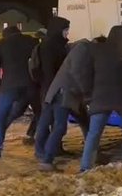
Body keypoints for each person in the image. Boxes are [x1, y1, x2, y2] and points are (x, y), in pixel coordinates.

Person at [80, 26, 122, 172]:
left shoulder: (97, 51)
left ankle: (85, 167)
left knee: (94, 134)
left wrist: (88, 95)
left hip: (100, 97)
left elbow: (86, 74)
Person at [35, 39, 92, 171]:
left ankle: (40, 152)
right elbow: (77, 73)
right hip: (65, 94)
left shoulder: (77, 50)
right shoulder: (83, 50)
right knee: (60, 127)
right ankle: (47, 160)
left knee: (46, 122)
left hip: (57, 92)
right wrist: (87, 92)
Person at [0, 26, 39, 159]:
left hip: (9, 86)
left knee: (1, 118)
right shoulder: (32, 42)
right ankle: (44, 149)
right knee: (41, 114)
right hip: (31, 85)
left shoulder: (0, 45)